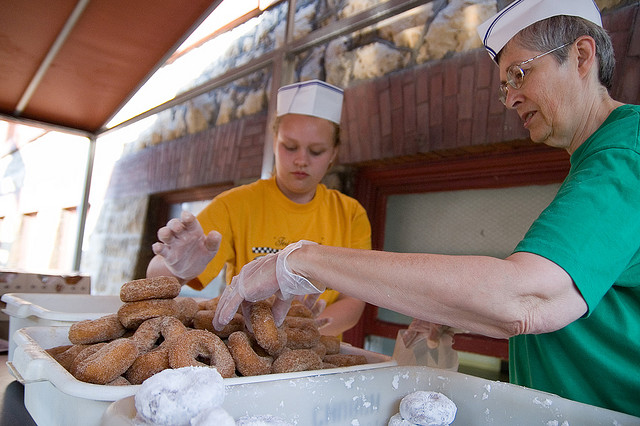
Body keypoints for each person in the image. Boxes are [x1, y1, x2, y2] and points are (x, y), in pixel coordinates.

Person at [213, 0, 640, 417]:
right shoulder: (600, 158)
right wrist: (457, 312)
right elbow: (575, 302)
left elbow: (527, 298)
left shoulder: (625, 157)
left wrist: (303, 261)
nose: (510, 98)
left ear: (581, 56)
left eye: (519, 74)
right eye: (504, 86)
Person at [147, 80, 372, 337]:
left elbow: (354, 299)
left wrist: (303, 330)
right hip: (247, 345)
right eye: (289, 147)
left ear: (333, 153)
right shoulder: (235, 205)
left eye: (316, 151)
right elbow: (154, 279)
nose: (301, 160)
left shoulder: (350, 214)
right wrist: (177, 269)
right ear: (274, 142)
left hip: (317, 350)